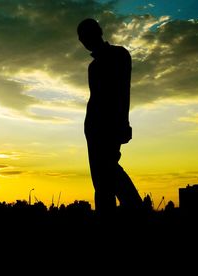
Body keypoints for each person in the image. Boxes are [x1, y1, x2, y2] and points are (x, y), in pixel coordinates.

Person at [77, 18, 142, 217]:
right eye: (82, 37)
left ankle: (137, 209)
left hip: (110, 126)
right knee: (101, 180)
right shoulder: (93, 67)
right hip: (94, 128)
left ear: (99, 31)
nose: (84, 40)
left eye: (87, 34)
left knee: (109, 171)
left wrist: (123, 122)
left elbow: (123, 92)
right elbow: (95, 98)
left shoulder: (120, 55)